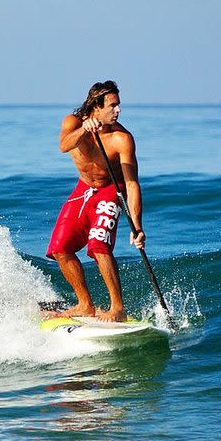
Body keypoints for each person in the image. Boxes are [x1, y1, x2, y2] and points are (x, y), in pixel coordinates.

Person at [46, 80, 145, 322]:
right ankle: (84, 305)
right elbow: (63, 146)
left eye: (118, 105)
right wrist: (84, 130)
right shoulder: (72, 122)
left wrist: (137, 225)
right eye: (112, 106)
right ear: (96, 106)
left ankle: (117, 308)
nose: (118, 110)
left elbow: (132, 184)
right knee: (60, 248)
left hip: (111, 188)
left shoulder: (122, 139)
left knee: (99, 245)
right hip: (83, 189)